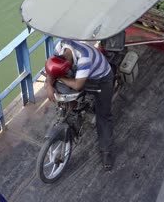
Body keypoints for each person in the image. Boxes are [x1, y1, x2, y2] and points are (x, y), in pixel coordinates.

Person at [45, 39, 115, 171]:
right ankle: (70, 109)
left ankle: (106, 151)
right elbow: (51, 69)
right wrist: (49, 84)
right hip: (79, 72)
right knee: (58, 86)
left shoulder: (84, 58)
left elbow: (78, 85)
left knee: (103, 115)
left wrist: (60, 78)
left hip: (101, 79)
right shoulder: (59, 46)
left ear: (69, 63)